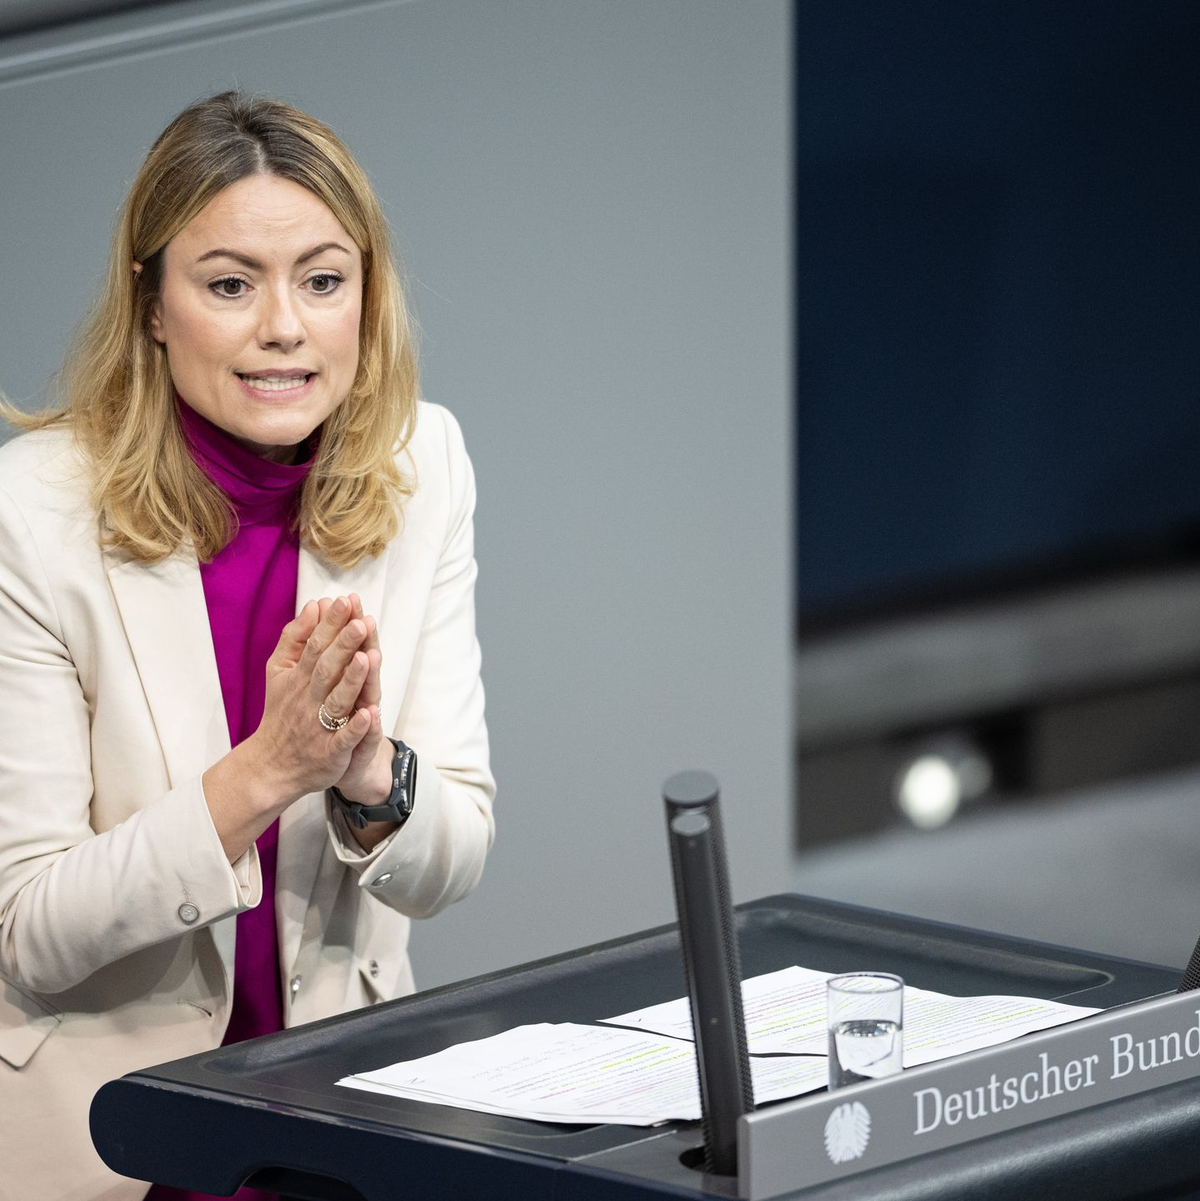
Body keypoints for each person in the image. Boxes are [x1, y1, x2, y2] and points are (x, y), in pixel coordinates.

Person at [0, 92, 495, 1200]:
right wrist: (266, 774)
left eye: (323, 280)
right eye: (230, 284)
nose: (285, 326)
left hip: (342, 1118)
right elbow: (31, 927)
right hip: (114, 1145)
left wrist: (371, 777)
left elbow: (456, 852)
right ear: (155, 303)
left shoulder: (426, 466)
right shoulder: (29, 517)